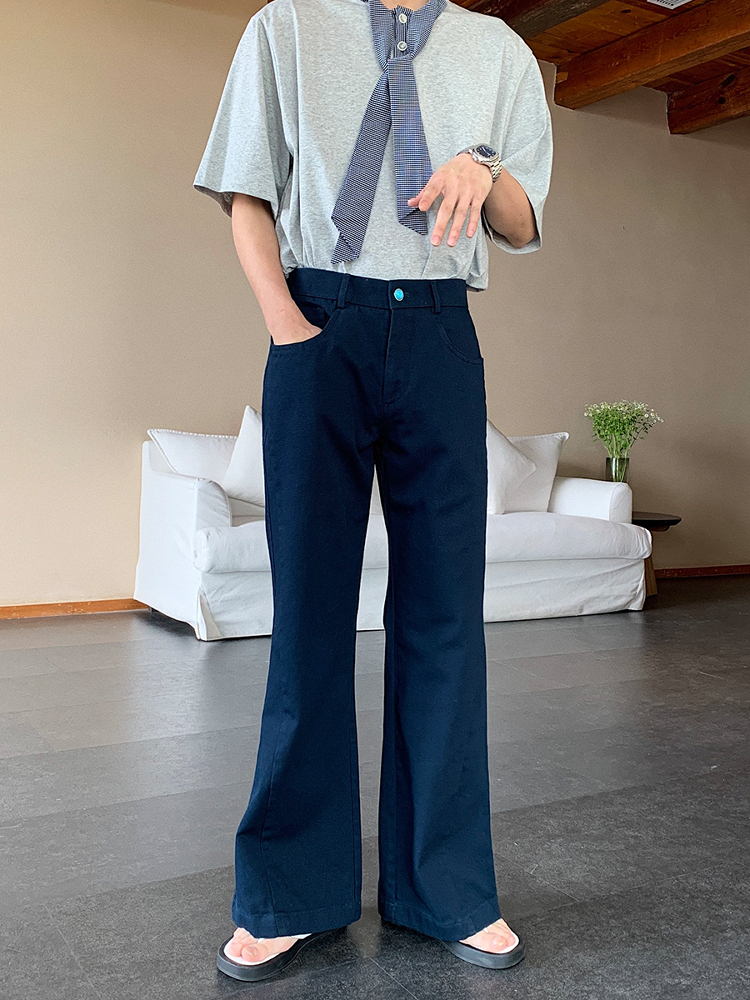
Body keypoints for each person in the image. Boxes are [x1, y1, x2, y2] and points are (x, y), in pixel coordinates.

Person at [193, 0, 552, 983]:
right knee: (308, 618)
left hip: (440, 331)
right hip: (319, 321)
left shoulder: (502, 52)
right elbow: (246, 192)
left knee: (445, 622)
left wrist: (483, 169)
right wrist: (287, 326)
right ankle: (285, 895)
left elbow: (524, 220)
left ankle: (448, 891)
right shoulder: (285, 28)